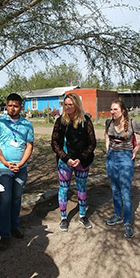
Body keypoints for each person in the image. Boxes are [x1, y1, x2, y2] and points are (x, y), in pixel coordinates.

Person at [0, 93, 34, 251]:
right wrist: (5, 162)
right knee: (5, 201)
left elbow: (29, 145)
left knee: (16, 199)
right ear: (6, 106)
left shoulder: (27, 124)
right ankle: (4, 235)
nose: (12, 108)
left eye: (15, 106)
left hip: (20, 169)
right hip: (4, 169)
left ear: (21, 107)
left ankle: (14, 226)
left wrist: (21, 163)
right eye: (9, 105)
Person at [51, 93, 97, 231]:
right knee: (63, 188)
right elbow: (54, 143)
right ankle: (64, 218)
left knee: (81, 188)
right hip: (65, 162)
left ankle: (82, 216)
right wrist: (65, 158)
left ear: (76, 105)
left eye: (70, 104)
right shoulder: (60, 121)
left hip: (81, 162)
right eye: (65, 104)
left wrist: (80, 158)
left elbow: (92, 143)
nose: (67, 107)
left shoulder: (86, 121)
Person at [104, 99, 140, 238]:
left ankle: (128, 222)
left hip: (126, 158)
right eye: (111, 109)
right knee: (114, 188)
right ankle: (117, 215)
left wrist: (136, 149)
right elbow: (106, 135)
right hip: (111, 156)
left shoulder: (132, 123)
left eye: (115, 109)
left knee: (125, 190)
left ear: (122, 110)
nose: (112, 112)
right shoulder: (109, 122)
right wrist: (107, 149)